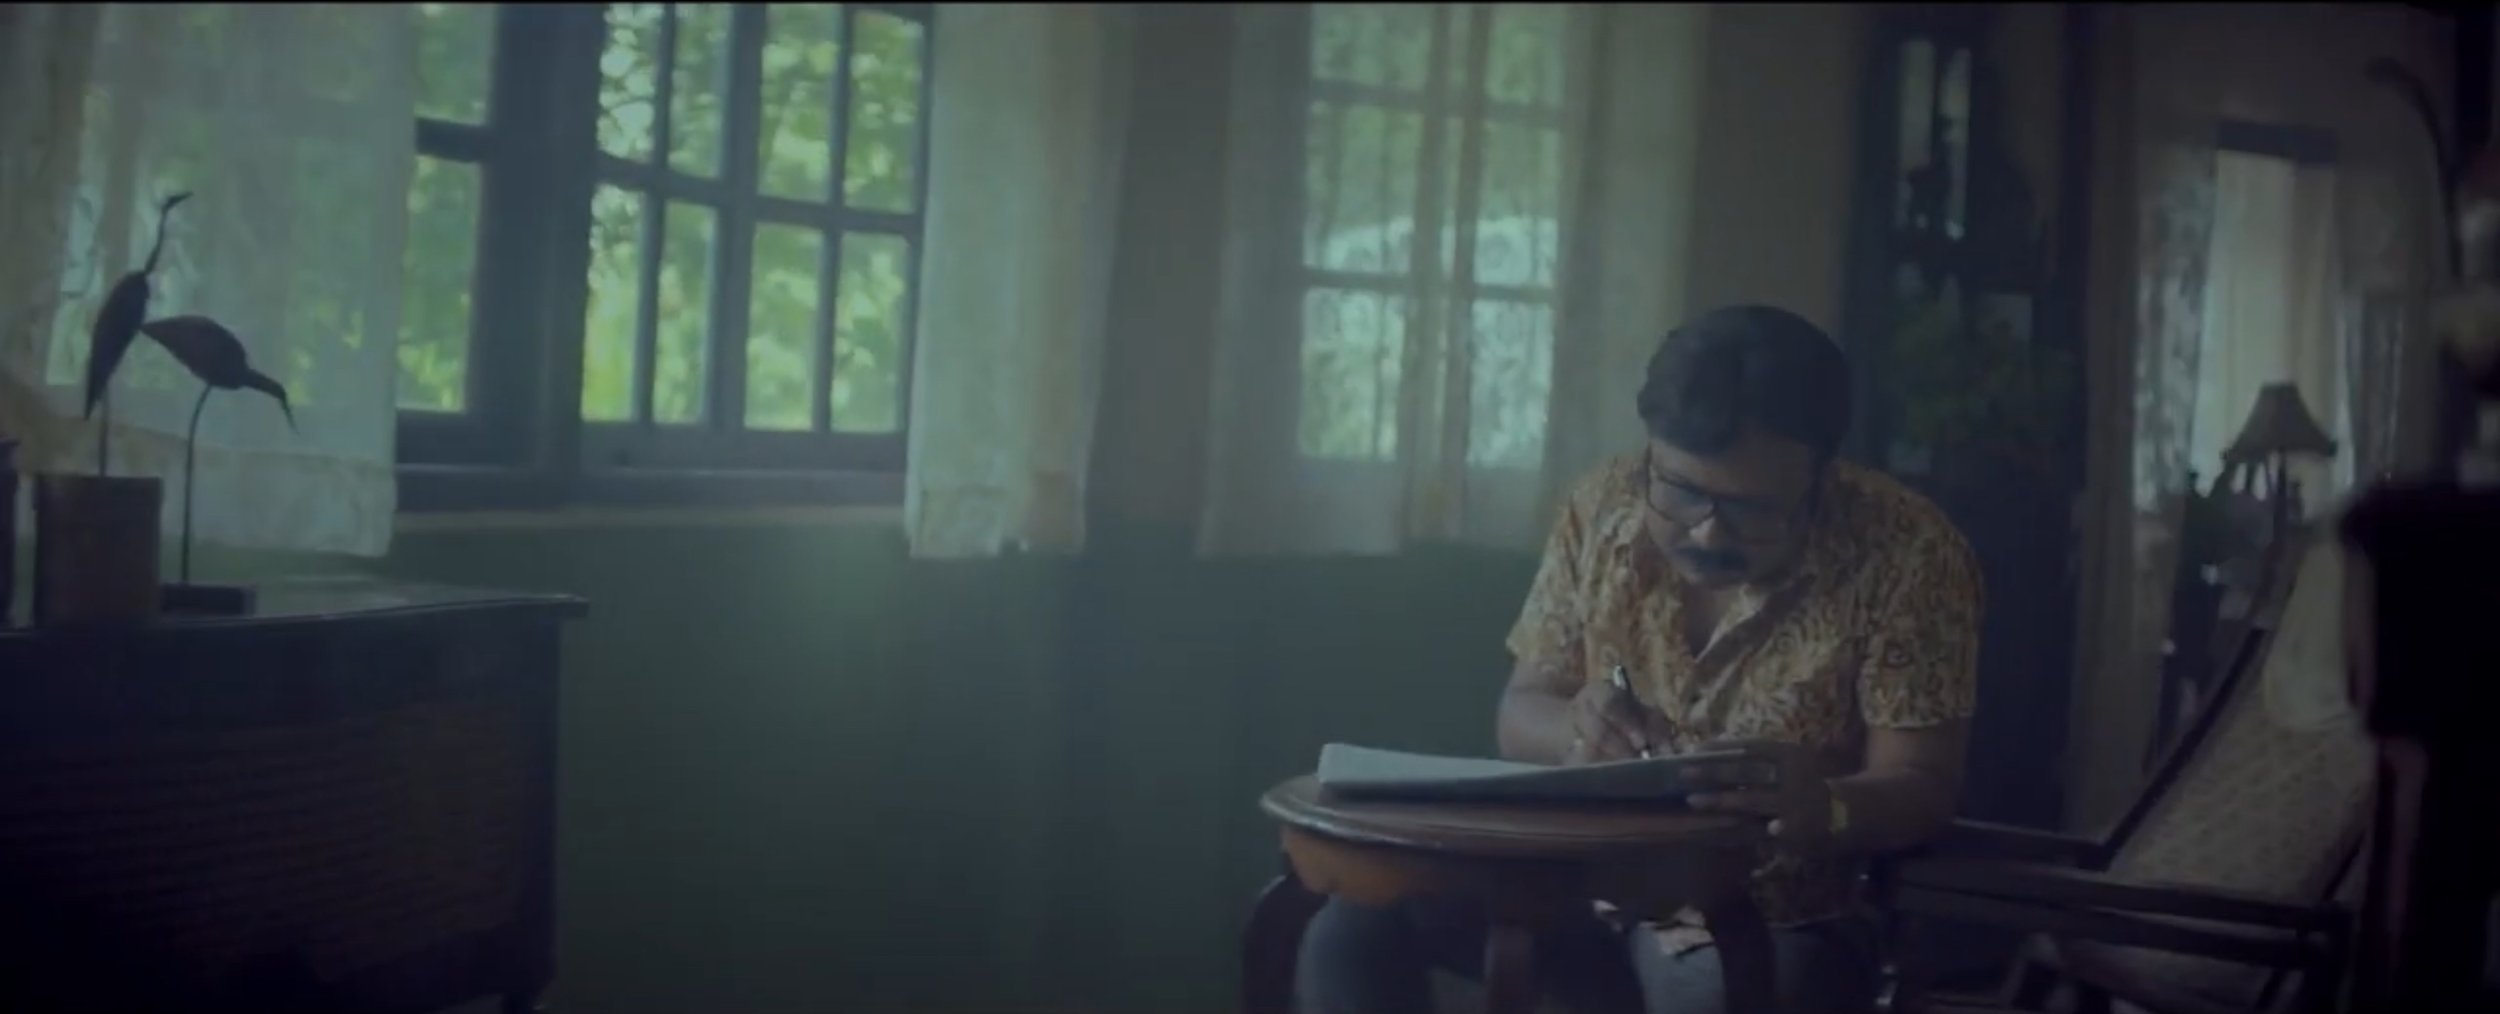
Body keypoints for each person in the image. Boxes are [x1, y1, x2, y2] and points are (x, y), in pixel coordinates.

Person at [1296, 305, 1982, 1014]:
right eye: (1681, 491)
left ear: (1821, 476)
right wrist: (1577, 727)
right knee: (1353, 928)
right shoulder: (1602, 503)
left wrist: (1828, 808)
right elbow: (1521, 712)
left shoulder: (1910, 553)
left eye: (1751, 509)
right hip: (1576, 889)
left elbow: (1924, 784)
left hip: (1769, 914)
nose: (1707, 533)